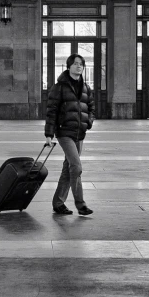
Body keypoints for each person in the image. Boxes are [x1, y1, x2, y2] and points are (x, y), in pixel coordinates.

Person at [44, 54, 95, 216]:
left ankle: (58, 203)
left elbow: (91, 107)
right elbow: (51, 111)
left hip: (79, 133)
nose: (78, 66)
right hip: (64, 132)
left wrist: (88, 122)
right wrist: (49, 134)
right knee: (76, 167)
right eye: (75, 64)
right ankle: (81, 205)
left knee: (68, 169)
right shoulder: (59, 87)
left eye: (81, 64)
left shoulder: (86, 87)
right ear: (68, 67)